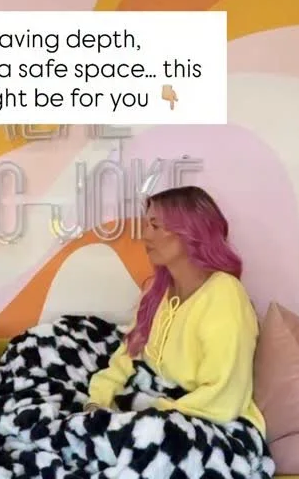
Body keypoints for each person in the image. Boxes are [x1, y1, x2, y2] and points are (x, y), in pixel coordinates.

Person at [86, 185, 266, 435]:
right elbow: (126, 358)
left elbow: (224, 393)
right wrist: (97, 402)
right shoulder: (156, 291)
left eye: (155, 226)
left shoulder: (225, 294)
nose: (144, 235)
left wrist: (147, 416)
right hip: (152, 411)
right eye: (146, 225)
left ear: (190, 232)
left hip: (209, 425)